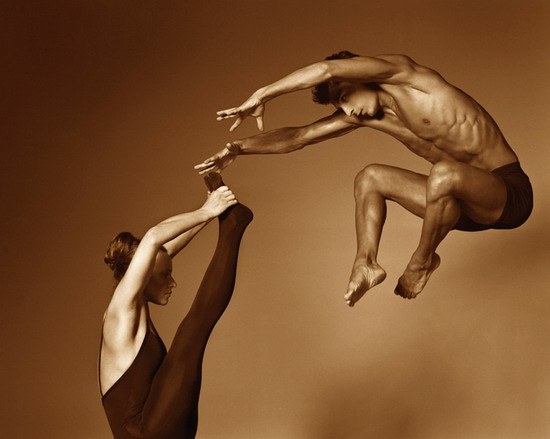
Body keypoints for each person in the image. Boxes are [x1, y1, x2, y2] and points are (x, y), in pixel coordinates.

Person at [195, 51, 532, 305]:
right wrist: (238, 148)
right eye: (339, 106)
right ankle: (366, 263)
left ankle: (422, 261)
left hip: (507, 194)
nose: (346, 110)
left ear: (357, 75)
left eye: (343, 97)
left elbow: (327, 69)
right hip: (454, 208)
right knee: (370, 176)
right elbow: (298, 137)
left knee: (443, 174)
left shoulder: (408, 76)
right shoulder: (364, 117)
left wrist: (264, 93)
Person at [98, 173, 253, 439]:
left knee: (194, 330)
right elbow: (153, 238)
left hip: (162, 427)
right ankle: (233, 226)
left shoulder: (135, 309)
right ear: (143, 275)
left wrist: (214, 211)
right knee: (194, 327)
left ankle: (232, 223)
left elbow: (162, 249)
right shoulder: (119, 311)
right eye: (165, 275)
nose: (173, 282)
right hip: (146, 433)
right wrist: (206, 211)